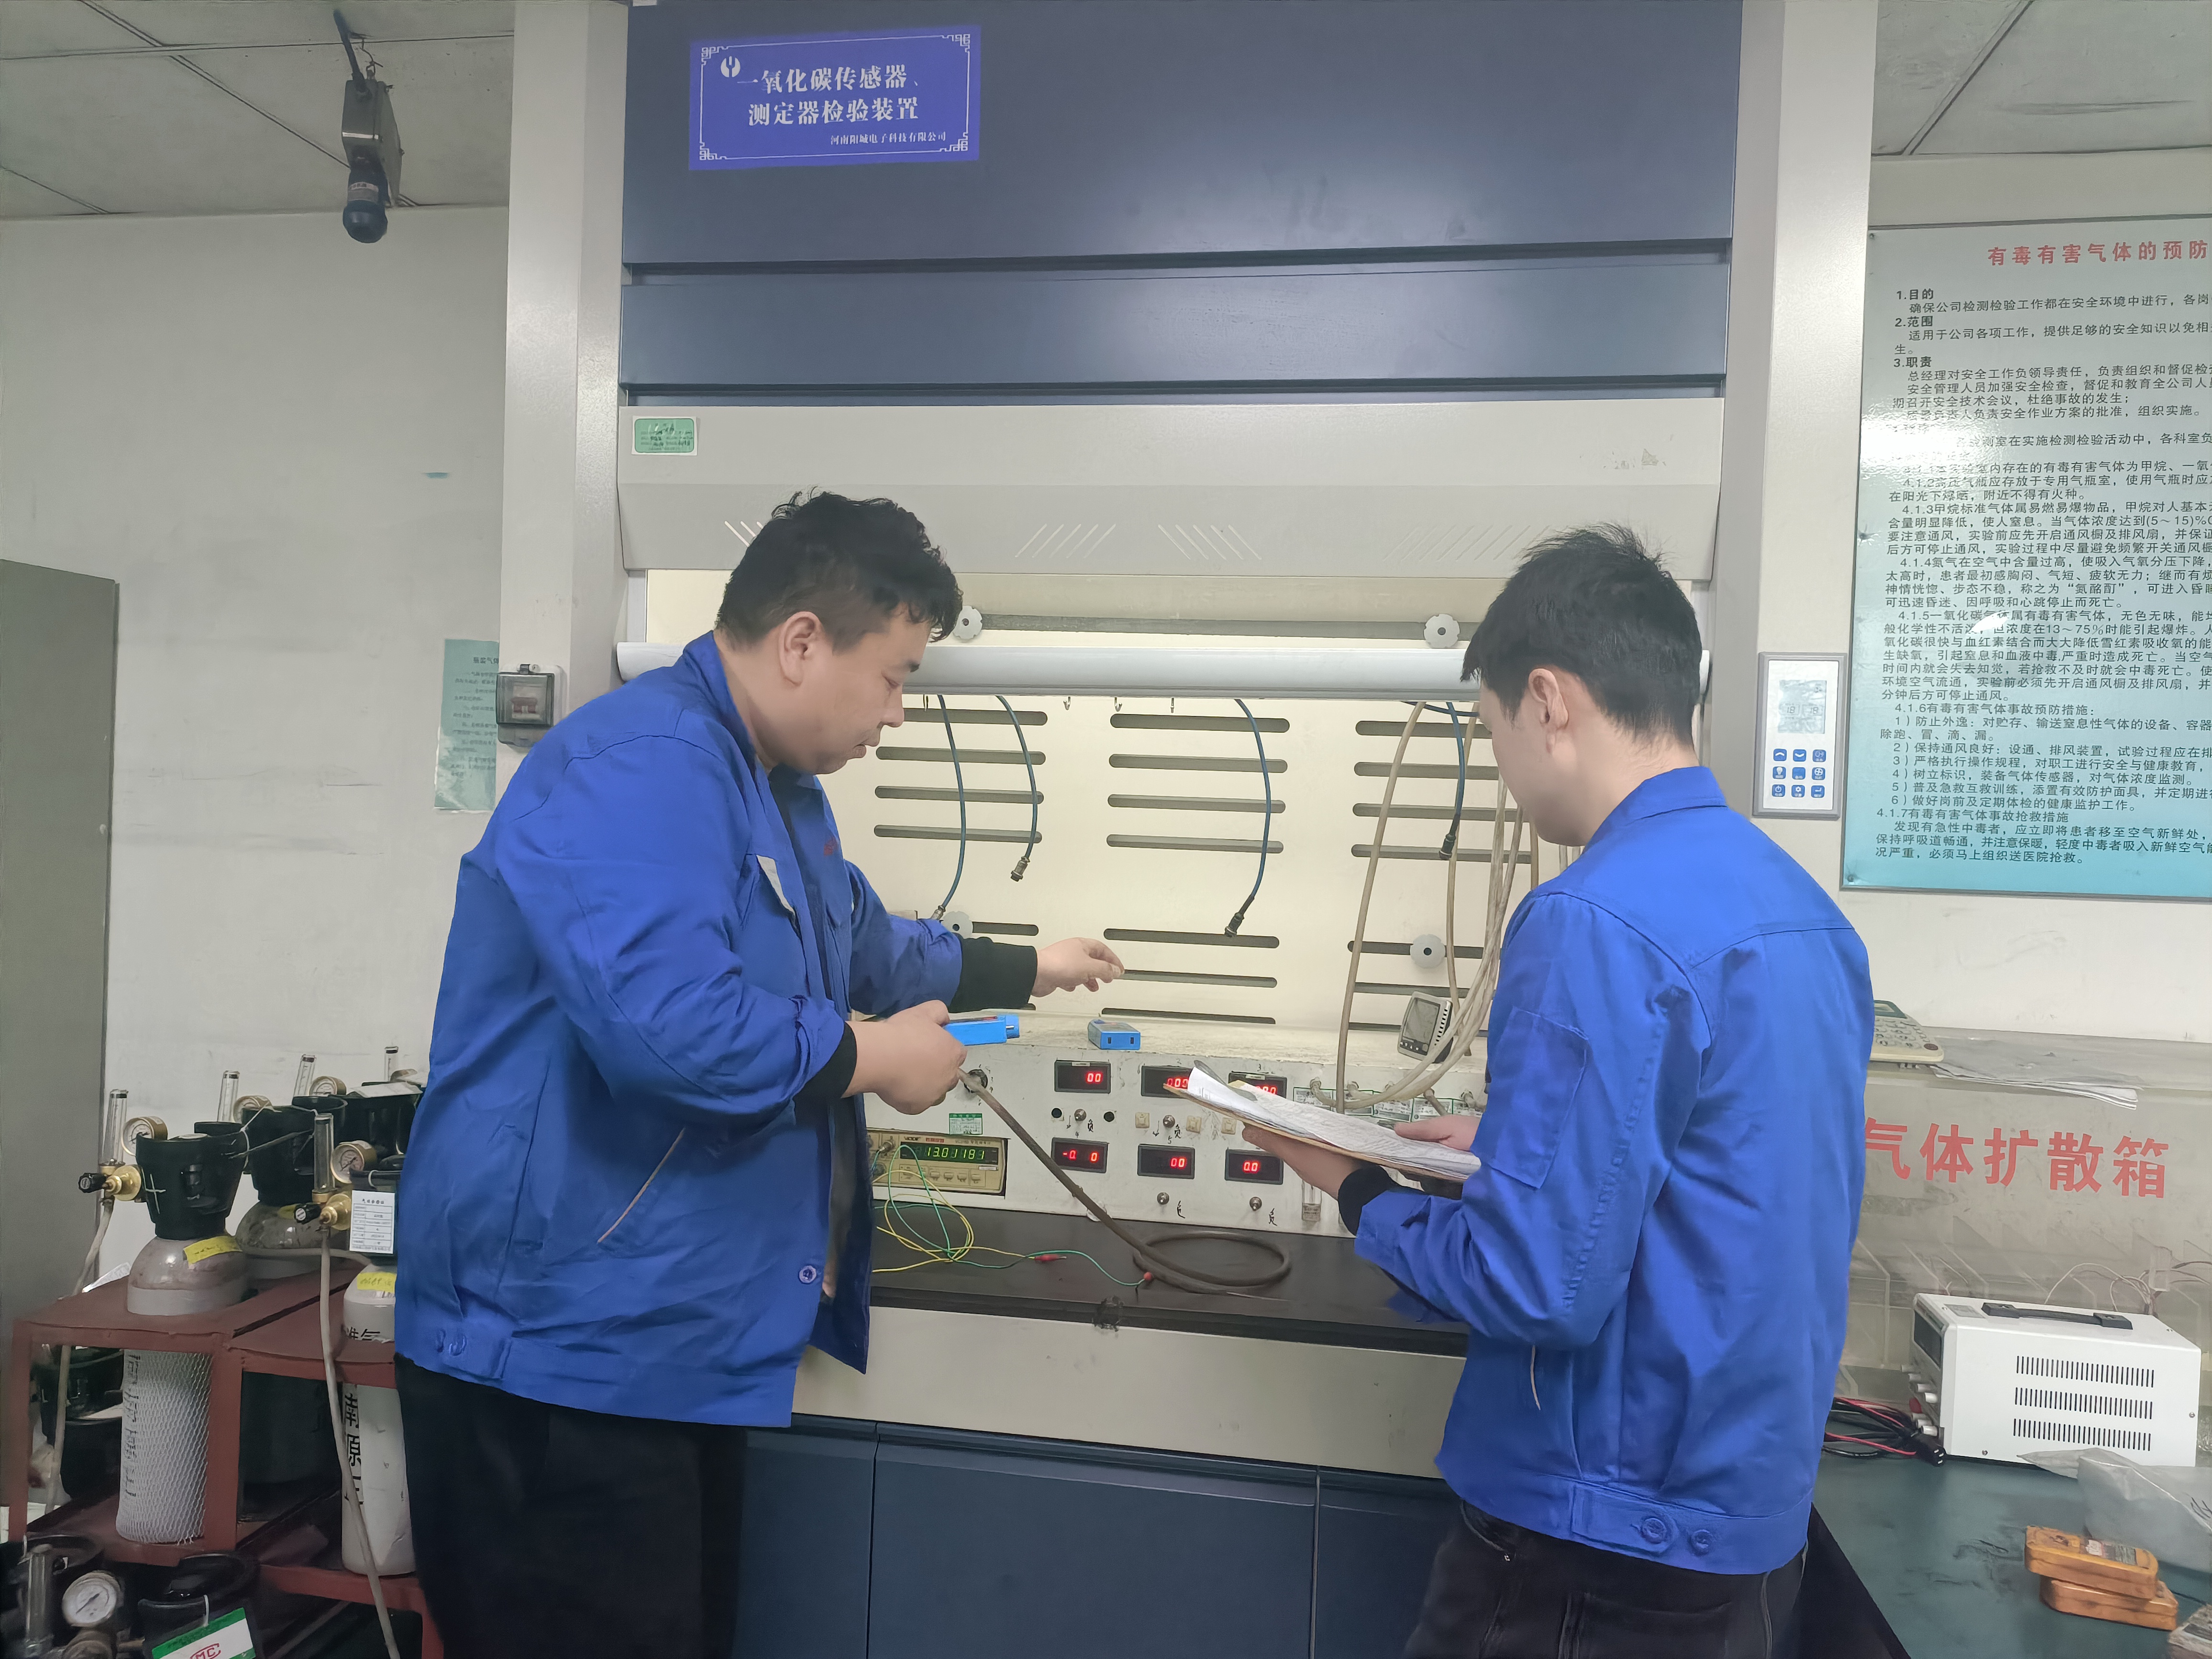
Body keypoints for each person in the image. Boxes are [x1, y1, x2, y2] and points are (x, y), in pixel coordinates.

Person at [393, 491, 1124, 1658]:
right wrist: (874, 1059)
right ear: (800, 642)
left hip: (662, 1344)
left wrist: (1030, 966)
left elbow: (864, 947)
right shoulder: (645, 765)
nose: (897, 710)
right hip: (557, 1357)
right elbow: (671, 1031)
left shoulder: (774, 791)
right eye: (893, 677)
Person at [1249, 527, 1870, 1659]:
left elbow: (1536, 1285)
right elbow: (1727, 1161)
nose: (1501, 766)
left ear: (1545, 702)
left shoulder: (1591, 917)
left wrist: (1355, 1188)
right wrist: (1512, 1140)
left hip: (1595, 1535)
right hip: (1743, 1522)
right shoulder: (1800, 911)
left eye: (1490, 732)